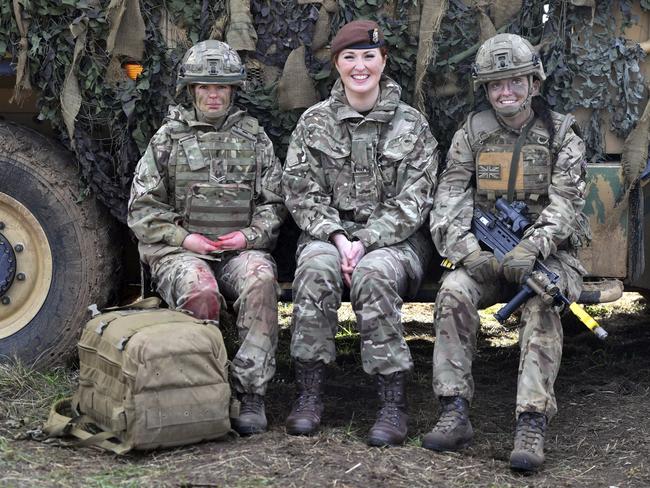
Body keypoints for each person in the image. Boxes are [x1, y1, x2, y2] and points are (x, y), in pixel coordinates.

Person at [426, 33, 590, 471]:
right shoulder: (472, 133)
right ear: (485, 89)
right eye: (496, 84)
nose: (506, 92)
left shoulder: (561, 134)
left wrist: (533, 247)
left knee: (543, 303)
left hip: (548, 256)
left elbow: (568, 203)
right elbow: (450, 195)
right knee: (454, 292)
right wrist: (464, 251)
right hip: (486, 252)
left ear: (533, 82)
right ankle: (453, 410)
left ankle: (531, 421)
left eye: (515, 81)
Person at [281, 20, 439, 447]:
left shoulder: (412, 125)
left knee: (373, 273)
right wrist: (336, 237)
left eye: (369, 56)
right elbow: (299, 191)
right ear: (337, 64)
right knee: (314, 268)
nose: (360, 66)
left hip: (396, 240)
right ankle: (309, 395)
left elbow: (417, 200)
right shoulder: (314, 123)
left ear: (384, 61)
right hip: (328, 235)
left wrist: (367, 240)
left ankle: (392, 403)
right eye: (349, 57)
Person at [127, 40, 286, 436]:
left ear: (233, 90)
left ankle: (250, 393)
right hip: (183, 250)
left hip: (238, 248)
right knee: (201, 292)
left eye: (221, 88)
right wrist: (185, 240)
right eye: (204, 87)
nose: (213, 95)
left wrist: (246, 237)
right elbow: (142, 209)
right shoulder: (168, 140)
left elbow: (276, 204)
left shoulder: (255, 139)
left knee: (261, 281)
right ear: (192, 90)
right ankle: (203, 393)